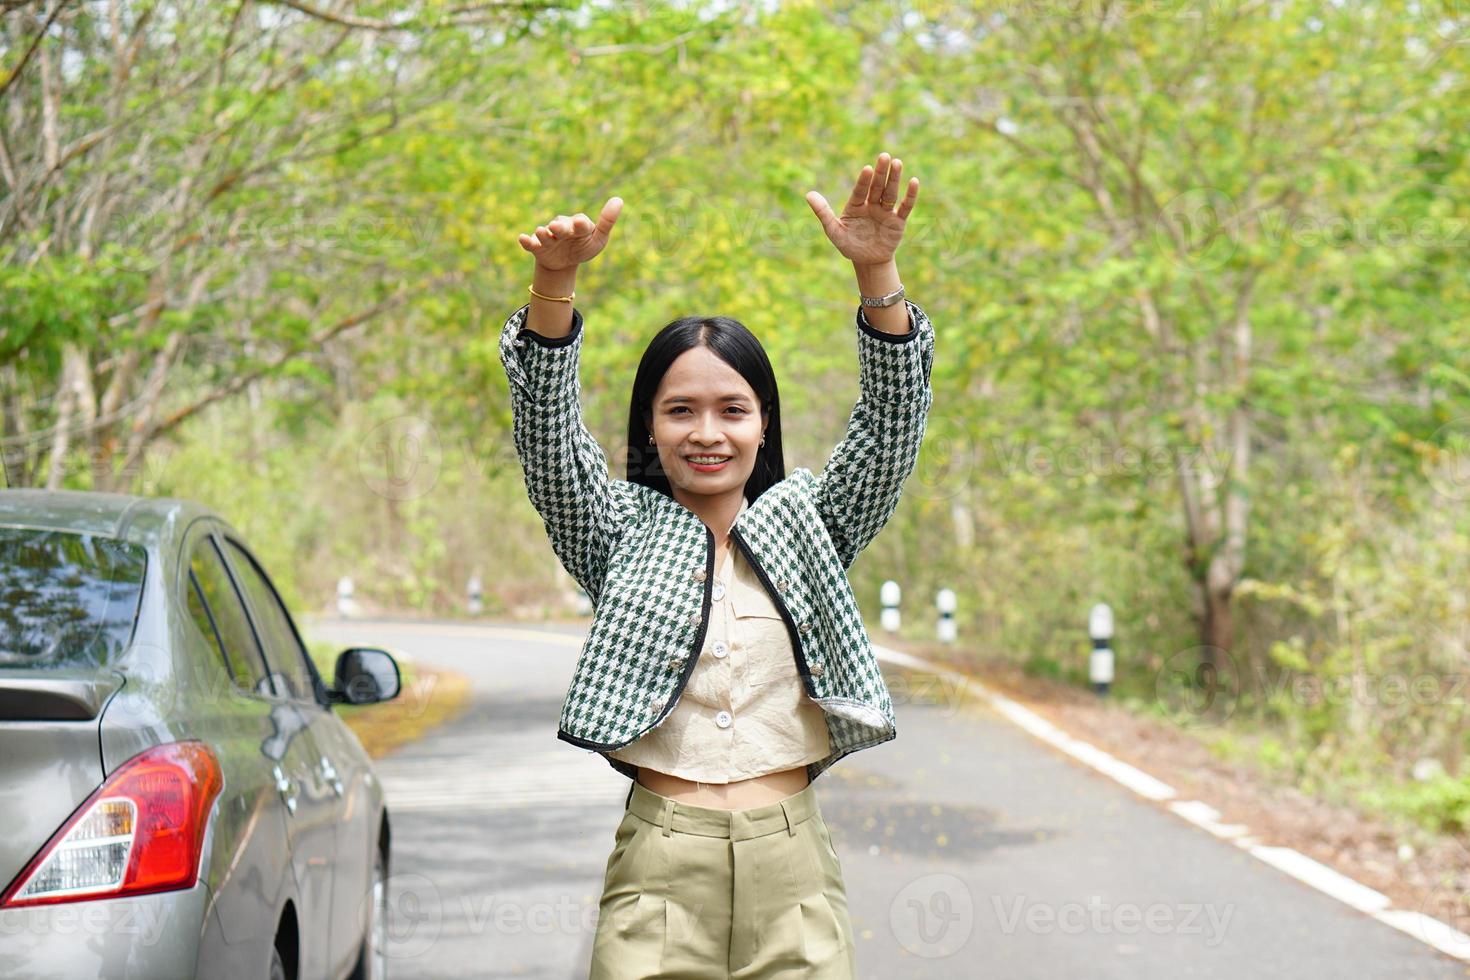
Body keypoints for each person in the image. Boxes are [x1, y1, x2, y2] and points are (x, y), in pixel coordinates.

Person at [500, 151, 934, 978]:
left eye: (732, 409)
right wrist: (554, 288)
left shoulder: (811, 521)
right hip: (661, 869)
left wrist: (875, 268)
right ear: (651, 428)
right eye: (681, 411)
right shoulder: (618, 531)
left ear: (763, 424)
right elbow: (548, 441)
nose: (708, 432)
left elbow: (890, 427)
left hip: (795, 865)